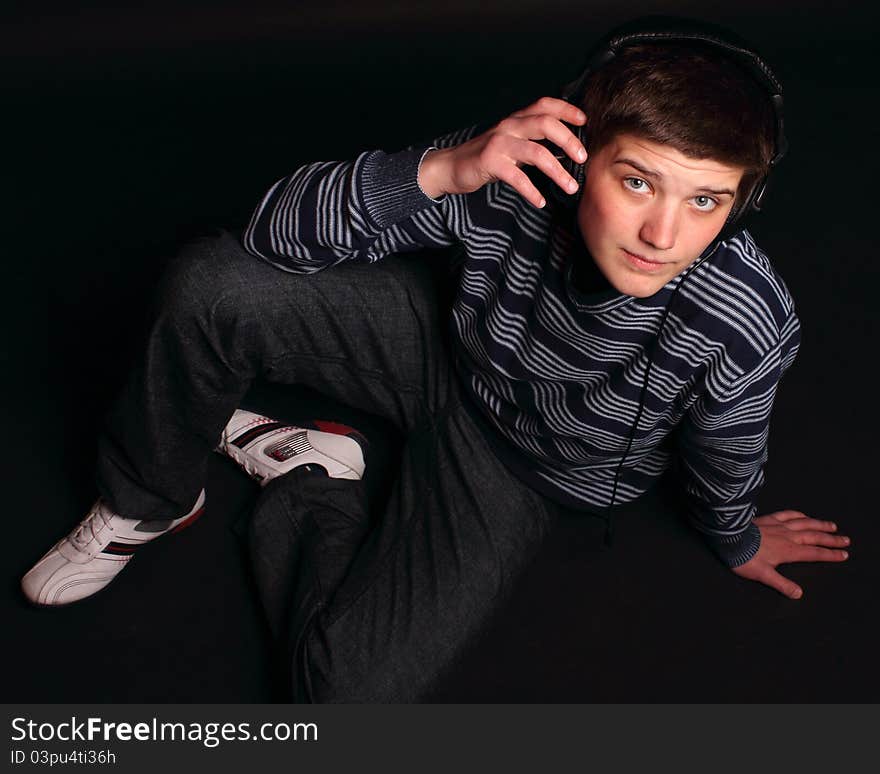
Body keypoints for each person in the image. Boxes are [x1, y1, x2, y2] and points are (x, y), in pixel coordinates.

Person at [21, 16, 851, 701]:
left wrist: (734, 537)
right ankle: (147, 499)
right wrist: (443, 170)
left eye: (704, 199)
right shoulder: (512, 174)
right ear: (578, 151)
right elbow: (270, 238)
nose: (663, 236)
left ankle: (311, 475)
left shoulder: (743, 318)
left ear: (741, 203)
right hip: (444, 351)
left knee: (342, 699)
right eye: (636, 182)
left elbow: (725, 449)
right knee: (213, 281)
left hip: (523, 468)